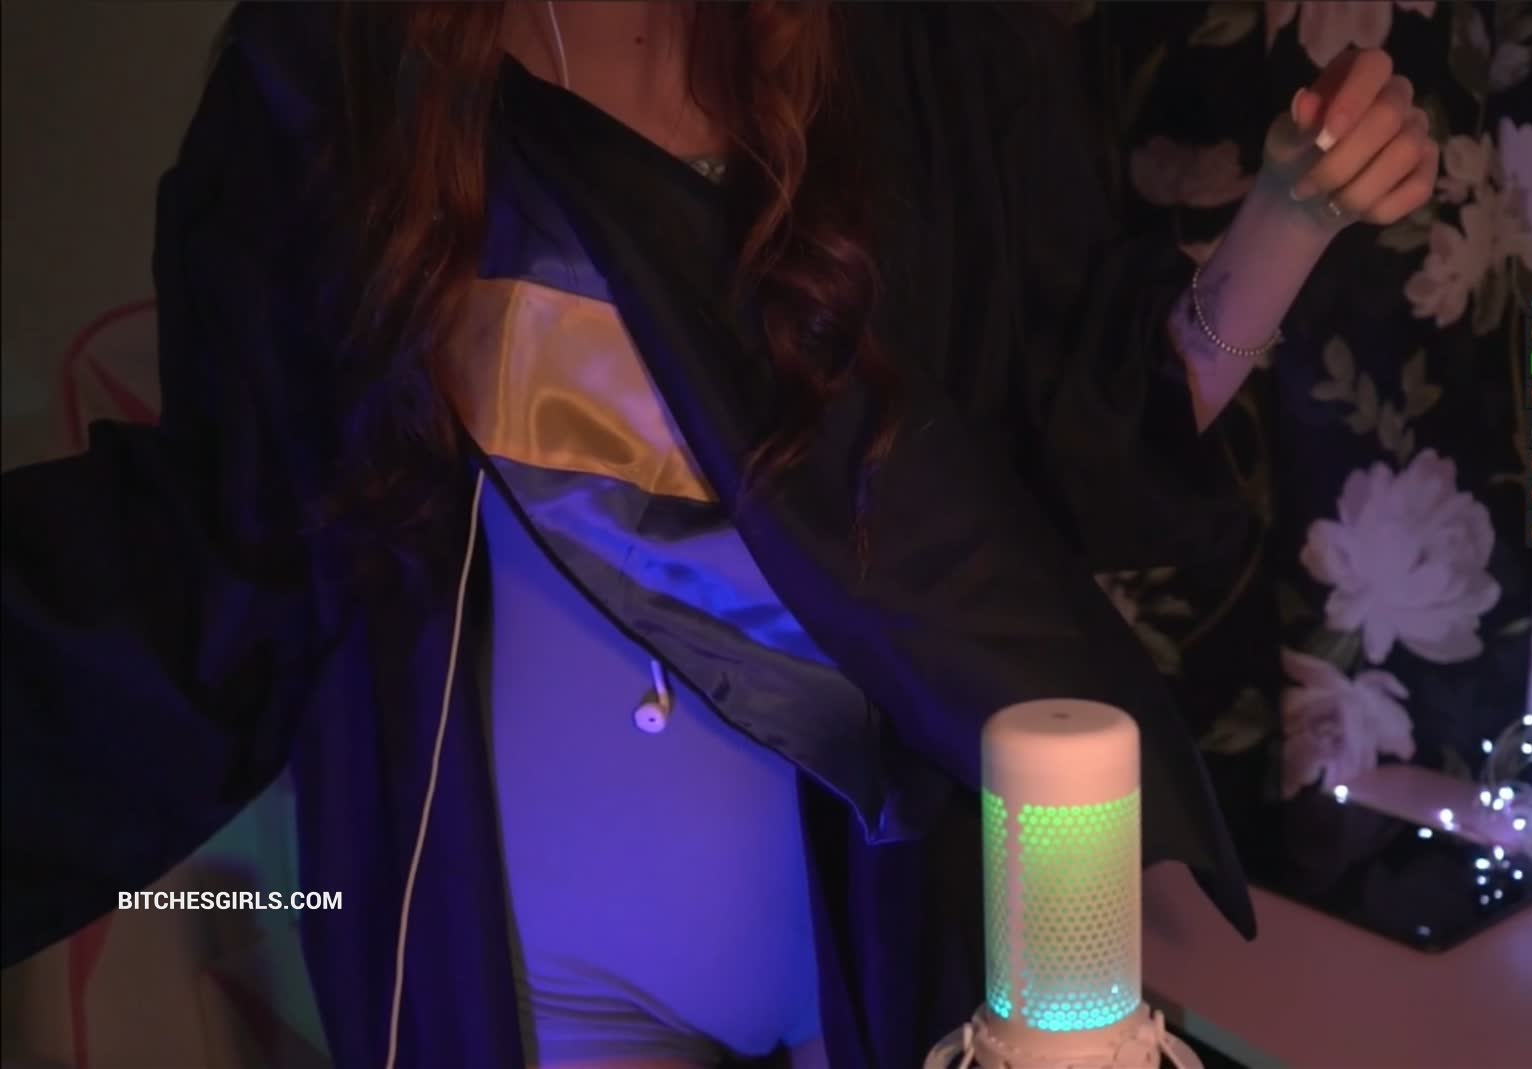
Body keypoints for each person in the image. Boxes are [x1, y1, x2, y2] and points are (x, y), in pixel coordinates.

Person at [0, 3, 1436, 1067]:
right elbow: (228, 537)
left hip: (882, 897)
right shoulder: (335, 69)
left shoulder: (929, 44)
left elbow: (1086, 427)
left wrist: (1291, 214)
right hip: (529, 950)